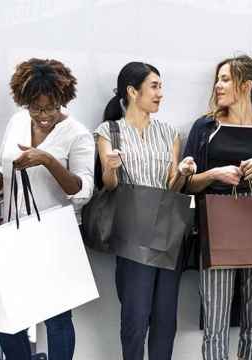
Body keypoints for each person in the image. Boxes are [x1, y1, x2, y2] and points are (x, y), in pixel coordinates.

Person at [0, 58, 94, 360]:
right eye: (36, 107)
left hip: (55, 237)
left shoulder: (77, 134)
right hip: (13, 232)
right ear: (24, 101)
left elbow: (83, 190)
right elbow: (2, 164)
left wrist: (48, 160)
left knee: (56, 319)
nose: (43, 115)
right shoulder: (17, 122)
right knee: (7, 319)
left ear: (63, 100)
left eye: (51, 107)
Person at [182, 55, 252, 360]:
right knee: (215, 322)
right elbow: (188, 184)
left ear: (246, 85)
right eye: (217, 79)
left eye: (225, 79)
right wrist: (215, 173)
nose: (218, 85)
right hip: (217, 228)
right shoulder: (204, 128)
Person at [94, 61, 194, 360]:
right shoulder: (108, 131)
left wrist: (185, 172)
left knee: (165, 317)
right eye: (154, 86)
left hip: (167, 230)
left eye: (161, 86)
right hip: (132, 231)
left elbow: (173, 187)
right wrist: (110, 169)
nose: (160, 93)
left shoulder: (169, 132)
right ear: (132, 91)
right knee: (135, 316)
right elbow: (110, 187)